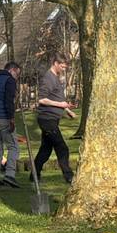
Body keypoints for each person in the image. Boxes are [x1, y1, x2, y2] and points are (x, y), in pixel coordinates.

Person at [33, 55, 75, 184]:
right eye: (62, 66)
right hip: (47, 120)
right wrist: (61, 105)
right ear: (55, 63)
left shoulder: (55, 78)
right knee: (62, 147)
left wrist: (67, 110)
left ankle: (34, 175)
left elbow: (57, 99)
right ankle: (69, 176)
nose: (63, 69)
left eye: (65, 67)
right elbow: (42, 99)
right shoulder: (48, 78)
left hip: (52, 118)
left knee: (45, 150)